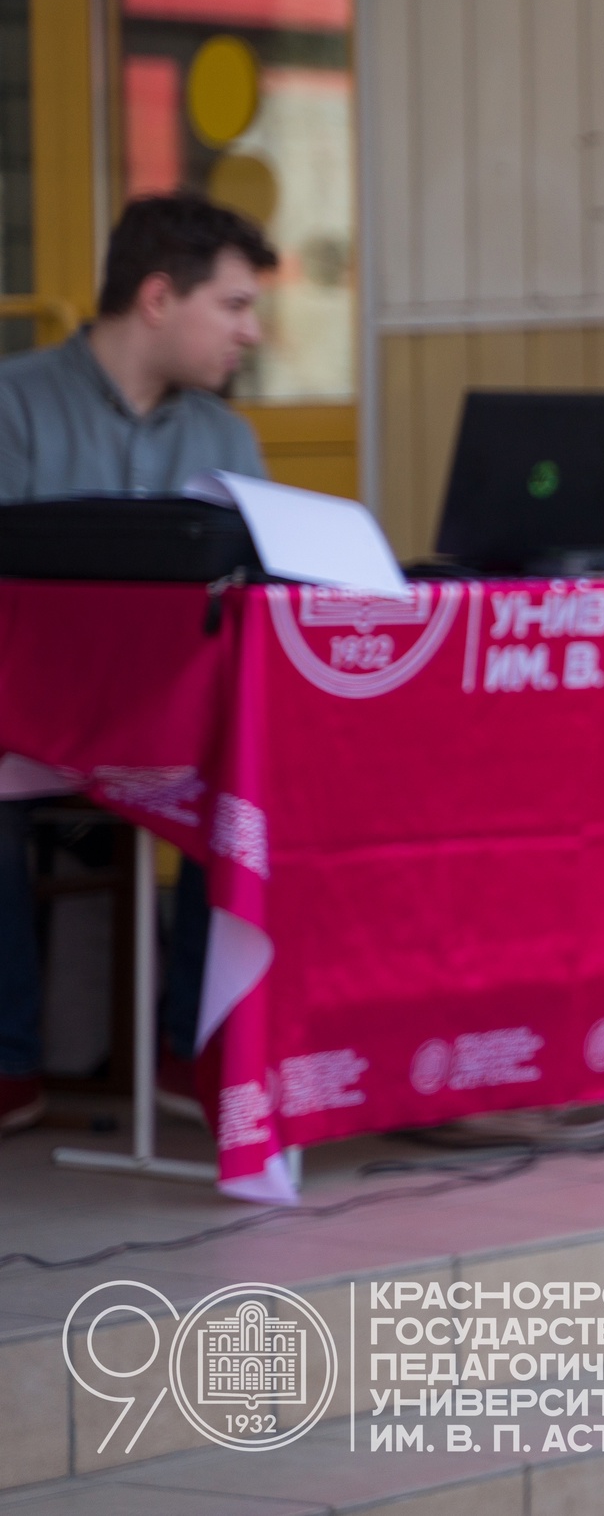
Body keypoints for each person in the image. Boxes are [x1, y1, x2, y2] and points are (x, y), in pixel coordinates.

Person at [0, 193, 275, 1134]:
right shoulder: (11, 404)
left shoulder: (227, 437)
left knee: (255, 778)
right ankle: (11, 1059)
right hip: (27, 713)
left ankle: (189, 1048)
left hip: (178, 719)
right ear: (159, 297)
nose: (254, 330)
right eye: (234, 306)